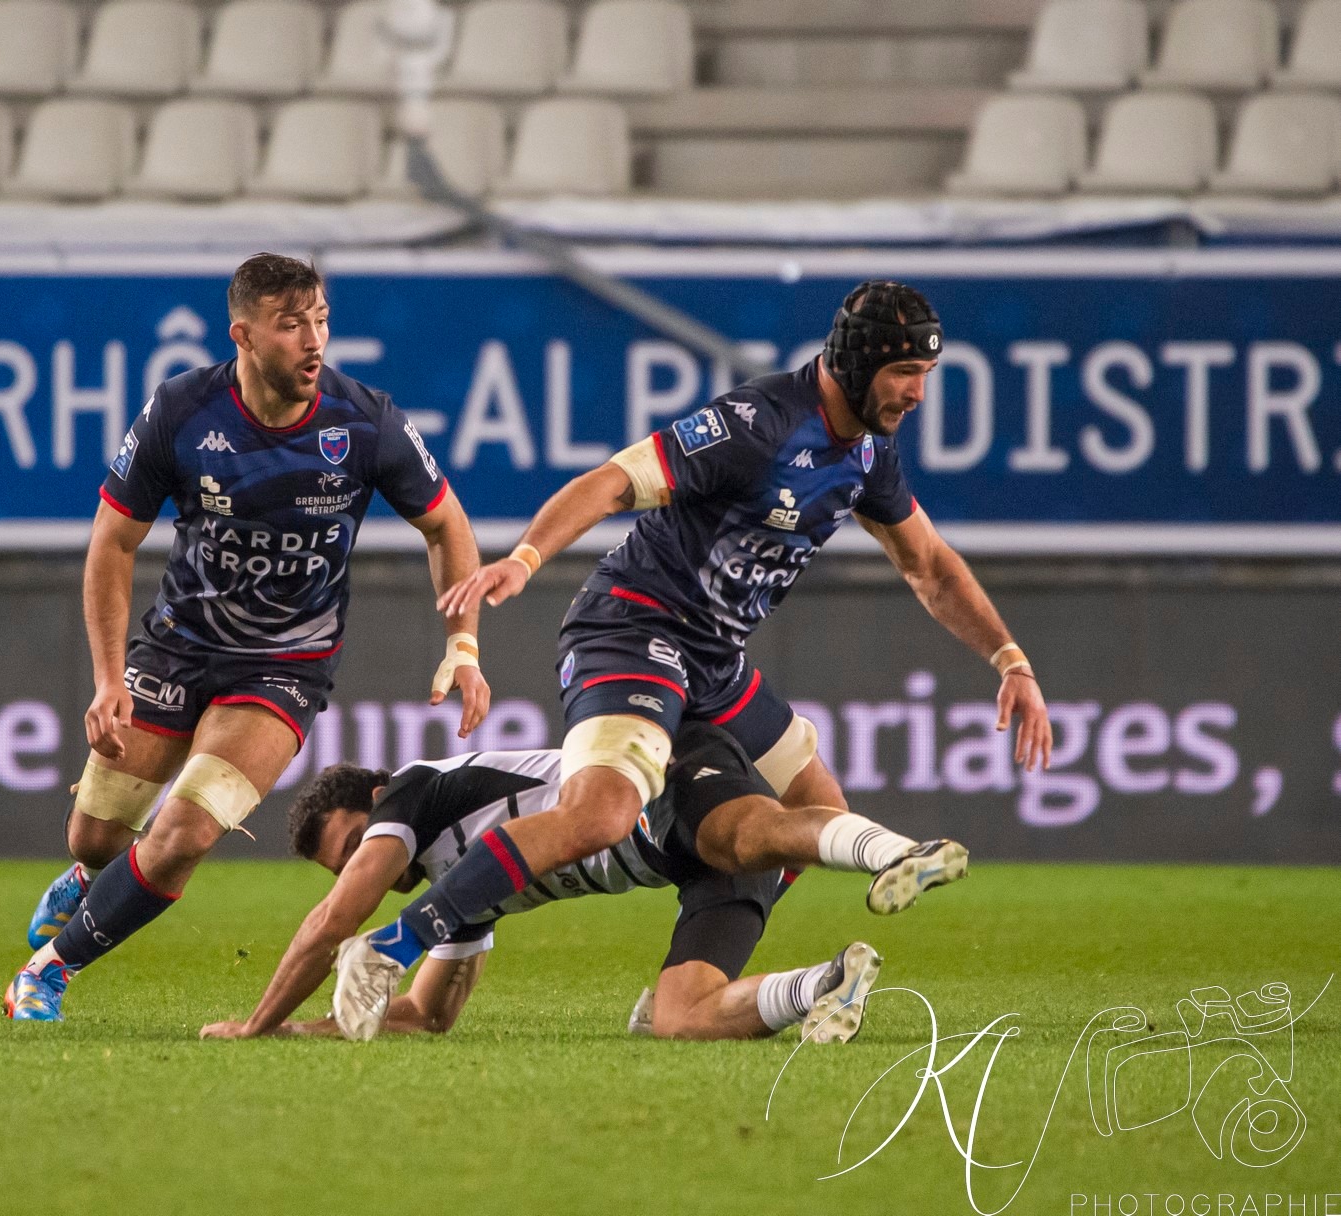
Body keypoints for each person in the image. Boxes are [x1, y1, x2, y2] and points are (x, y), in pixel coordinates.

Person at [334, 281, 1052, 1035]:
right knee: (600, 815)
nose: (917, 393)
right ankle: (392, 945)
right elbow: (614, 481)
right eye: (906, 372)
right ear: (858, 360)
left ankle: (688, 995)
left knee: (819, 814)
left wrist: (1011, 661)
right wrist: (526, 557)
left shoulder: (870, 453)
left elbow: (931, 567)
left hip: (714, 659)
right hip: (633, 626)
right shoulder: (758, 422)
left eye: (927, 375)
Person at [5, 253, 491, 1021]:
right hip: (177, 648)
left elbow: (447, 525)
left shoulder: (364, 422)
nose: (314, 339)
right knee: (99, 840)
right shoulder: (182, 411)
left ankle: (46, 972)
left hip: (283, 668)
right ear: (243, 334)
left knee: (185, 832)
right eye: (291, 323)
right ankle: (86, 877)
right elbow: (112, 545)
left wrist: (462, 645)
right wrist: (106, 680)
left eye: (322, 320)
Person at [201, 722, 894, 1045]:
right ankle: (826, 985)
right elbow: (429, 1015)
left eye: (355, 848)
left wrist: (256, 1026)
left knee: (762, 828)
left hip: (671, 784)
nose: (363, 874)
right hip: (687, 864)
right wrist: (306, 1029)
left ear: (378, 800)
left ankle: (876, 844)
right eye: (345, 865)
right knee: (682, 1018)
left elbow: (333, 922)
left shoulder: (415, 791)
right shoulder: (458, 895)